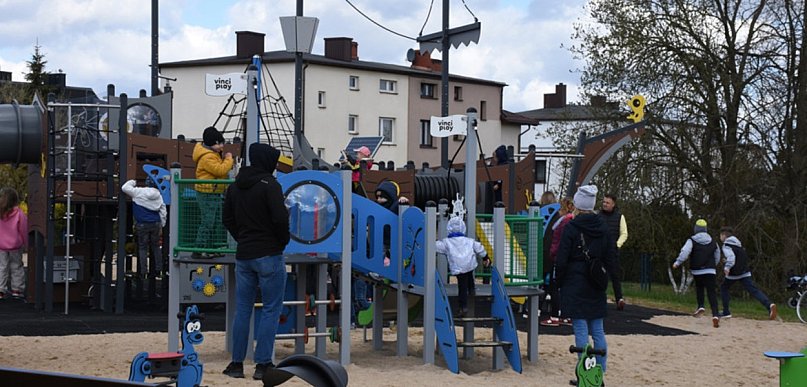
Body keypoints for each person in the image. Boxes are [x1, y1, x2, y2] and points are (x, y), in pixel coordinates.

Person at [221, 143, 290, 380]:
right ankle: (263, 364)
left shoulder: (235, 186)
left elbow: (226, 217)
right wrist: (282, 242)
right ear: (268, 161)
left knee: (243, 310)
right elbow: (280, 219)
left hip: (244, 254)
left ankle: (236, 363)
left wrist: (242, 237)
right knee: (271, 309)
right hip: (269, 252)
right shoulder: (270, 185)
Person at [556, 185, 616, 375]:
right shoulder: (603, 228)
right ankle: (600, 371)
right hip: (596, 280)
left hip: (575, 281)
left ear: (577, 204)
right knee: (598, 329)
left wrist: (559, 282)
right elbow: (611, 256)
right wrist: (609, 278)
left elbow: (562, 258)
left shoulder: (572, 227)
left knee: (581, 328)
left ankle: (585, 372)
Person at [435, 216, 490, 317]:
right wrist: (485, 257)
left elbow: (436, 246)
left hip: (458, 266)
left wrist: (429, 241)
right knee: (469, 275)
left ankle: (463, 307)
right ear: (463, 228)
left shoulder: (447, 242)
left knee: (462, 287)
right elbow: (479, 248)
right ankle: (472, 289)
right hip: (469, 264)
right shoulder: (469, 240)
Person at [192, 126, 234, 258]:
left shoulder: (212, 154)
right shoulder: (207, 157)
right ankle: (199, 249)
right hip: (207, 193)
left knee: (215, 221)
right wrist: (229, 159)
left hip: (214, 192)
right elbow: (220, 170)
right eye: (219, 144)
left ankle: (211, 248)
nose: (222, 146)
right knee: (208, 221)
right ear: (212, 143)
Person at [719, 227, 777, 320]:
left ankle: (726, 312)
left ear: (724, 235)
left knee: (724, 288)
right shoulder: (738, 245)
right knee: (754, 290)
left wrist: (727, 267)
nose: (720, 238)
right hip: (745, 272)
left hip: (734, 273)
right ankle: (769, 305)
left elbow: (731, 257)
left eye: (720, 236)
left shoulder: (726, 245)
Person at [672, 219, 722, 328]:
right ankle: (715, 315)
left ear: (696, 229)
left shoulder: (692, 240)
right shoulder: (713, 241)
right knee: (711, 292)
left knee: (699, 287)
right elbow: (718, 254)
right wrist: (714, 265)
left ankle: (701, 306)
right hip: (710, 270)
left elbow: (685, 252)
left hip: (697, 270)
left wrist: (678, 262)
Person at [121, 179, 167, 277]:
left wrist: (133, 181)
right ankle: (159, 270)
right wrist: (162, 225)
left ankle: (143, 272)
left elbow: (124, 188)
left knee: (142, 248)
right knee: (156, 247)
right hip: (155, 223)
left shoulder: (138, 191)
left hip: (142, 224)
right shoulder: (159, 195)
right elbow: (163, 211)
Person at [541, 197, 575, 327]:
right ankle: (567, 315)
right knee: (565, 287)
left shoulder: (562, 222)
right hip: (567, 258)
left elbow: (556, 240)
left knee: (554, 287)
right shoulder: (571, 221)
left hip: (558, 257)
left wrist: (552, 254)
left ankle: (555, 316)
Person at [599, 193, 628, 310]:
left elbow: (624, 233)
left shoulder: (620, 217)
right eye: (604, 202)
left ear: (613, 204)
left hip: (612, 251)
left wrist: (617, 245)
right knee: (600, 276)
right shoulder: (598, 216)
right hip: (599, 251)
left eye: (607, 202)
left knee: (615, 276)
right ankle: (600, 299)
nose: (605, 204)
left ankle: (619, 299)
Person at [0, 187, 28, 299]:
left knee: (2, 267)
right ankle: (17, 289)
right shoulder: (19, 214)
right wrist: (26, 243)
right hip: (15, 245)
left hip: (1, 245)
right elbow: (24, 230)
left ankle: (1, 289)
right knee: (16, 266)